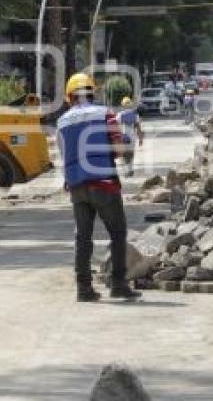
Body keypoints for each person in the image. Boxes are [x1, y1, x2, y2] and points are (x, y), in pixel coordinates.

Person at [56, 73, 141, 302]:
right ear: (92, 93)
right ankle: (118, 285)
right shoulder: (105, 114)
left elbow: (64, 154)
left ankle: (83, 289)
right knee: (117, 232)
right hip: (103, 182)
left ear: (69, 97)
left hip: (76, 185)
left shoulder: (62, 122)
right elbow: (119, 149)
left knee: (83, 237)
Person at [115, 96, 144, 177]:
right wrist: (141, 139)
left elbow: (115, 126)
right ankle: (130, 169)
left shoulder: (119, 115)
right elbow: (138, 128)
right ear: (130, 105)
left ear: (123, 105)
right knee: (131, 154)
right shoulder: (135, 115)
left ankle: (127, 171)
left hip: (123, 137)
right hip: (132, 138)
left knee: (124, 154)